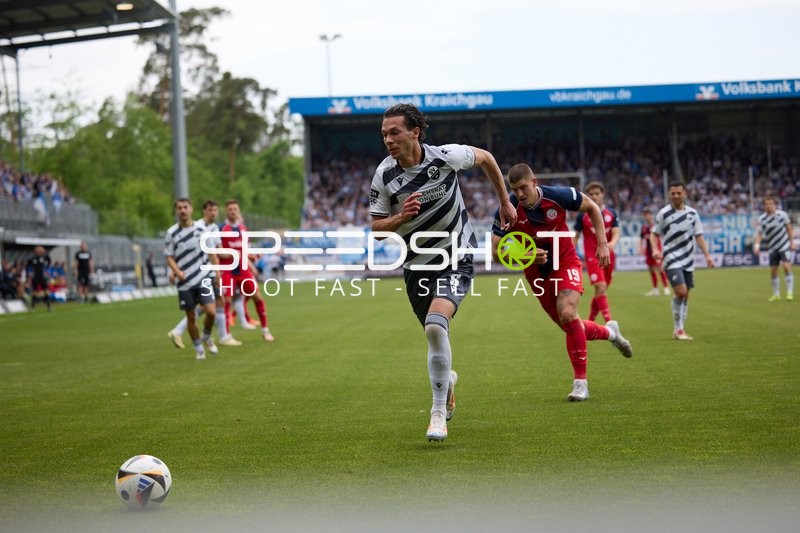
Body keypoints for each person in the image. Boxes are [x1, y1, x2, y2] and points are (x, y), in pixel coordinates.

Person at [370, 103, 517, 442]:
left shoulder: (447, 156)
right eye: (384, 134)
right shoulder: (384, 175)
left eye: (394, 132)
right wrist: (400, 218)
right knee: (435, 334)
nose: (388, 140)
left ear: (415, 132)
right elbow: (376, 229)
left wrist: (504, 202)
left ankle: (438, 414)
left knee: (436, 326)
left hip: (456, 257)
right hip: (416, 266)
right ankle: (447, 381)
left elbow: (487, 159)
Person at [492, 164, 632, 403]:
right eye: (515, 189)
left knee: (567, 313)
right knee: (570, 325)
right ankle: (611, 333)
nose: (520, 194)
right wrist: (525, 256)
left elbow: (592, 207)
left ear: (534, 182)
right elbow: (495, 252)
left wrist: (602, 243)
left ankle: (580, 383)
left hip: (565, 260)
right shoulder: (507, 210)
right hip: (535, 272)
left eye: (524, 187)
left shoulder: (558, 196)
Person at [167, 199, 243, 350]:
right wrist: (174, 271)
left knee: (217, 302)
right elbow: (185, 252)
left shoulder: (214, 228)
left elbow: (218, 251)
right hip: (202, 273)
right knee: (213, 304)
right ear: (203, 211)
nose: (213, 213)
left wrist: (232, 254)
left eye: (215, 210)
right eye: (210, 210)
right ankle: (219, 336)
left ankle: (185, 332)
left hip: (210, 271)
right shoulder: (198, 227)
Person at [650, 182, 715, 340]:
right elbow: (654, 234)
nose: (676, 196)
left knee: (686, 295)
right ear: (669, 194)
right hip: (671, 258)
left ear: (685, 194)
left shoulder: (692, 214)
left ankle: (679, 329)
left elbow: (699, 236)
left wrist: (707, 256)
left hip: (688, 259)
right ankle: (678, 329)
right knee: (681, 291)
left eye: (679, 193)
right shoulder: (663, 213)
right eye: (673, 193)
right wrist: (655, 249)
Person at [163, 198, 218, 360]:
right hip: (185, 282)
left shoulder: (202, 230)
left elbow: (211, 253)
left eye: (185, 207)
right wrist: (177, 272)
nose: (183, 210)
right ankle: (199, 349)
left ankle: (206, 336)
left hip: (203, 277)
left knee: (211, 312)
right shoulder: (171, 233)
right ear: (176, 211)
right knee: (191, 317)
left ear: (191, 209)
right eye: (179, 208)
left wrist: (217, 273)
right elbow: (169, 256)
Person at [217, 199, 275, 342]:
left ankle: (265, 330)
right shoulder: (221, 229)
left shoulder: (243, 228)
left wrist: (252, 260)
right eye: (230, 209)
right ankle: (226, 335)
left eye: (235, 209)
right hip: (228, 270)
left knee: (257, 297)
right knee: (226, 301)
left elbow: (244, 250)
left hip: (243, 269)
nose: (233, 212)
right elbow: (218, 252)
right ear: (226, 211)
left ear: (238, 211)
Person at [572, 181, 619, 322]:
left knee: (601, 290)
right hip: (592, 256)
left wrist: (612, 243)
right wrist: (572, 252)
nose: (594, 196)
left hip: (609, 256)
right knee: (601, 286)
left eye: (597, 193)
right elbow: (576, 235)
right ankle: (610, 323)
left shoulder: (611, 213)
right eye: (591, 194)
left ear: (602, 194)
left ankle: (590, 321)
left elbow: (616, 231)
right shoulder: (582, 216)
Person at [753, 196, 794, 301]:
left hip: (784, 246)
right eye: (766, 204)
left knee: (786, 267)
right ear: (764, 206)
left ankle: (789, 292)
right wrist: (757, 246)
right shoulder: (762, 219)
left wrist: (792, 242)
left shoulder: (782, 215)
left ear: (774, 205)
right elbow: (759, 233)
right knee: (773, 271)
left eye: (770, 203)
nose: (768, 206)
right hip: (772, 247)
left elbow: (789, 228)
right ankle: (776, 294)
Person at [640, 207, 670, 296]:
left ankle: (666, 287)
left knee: (660, 269)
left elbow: (660, 237)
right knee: (651, 270)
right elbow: (641, 238)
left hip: (657, 250)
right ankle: (655, 289)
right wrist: (640, 247)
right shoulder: (644, 227)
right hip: (648, 251)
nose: (646, 217)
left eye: (648, 215)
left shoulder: (656, 226)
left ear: (651, 215)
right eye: (645, 215)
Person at [26, 246, 52, 311]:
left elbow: (49, 260)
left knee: (46, 291)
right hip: (35, 277)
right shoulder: (32, 259)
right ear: (35, 251)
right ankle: (33, 307)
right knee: (34, 292)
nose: (39, 251)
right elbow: (27, 267)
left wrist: (44, 251)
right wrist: (29, 275)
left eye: (40, 250)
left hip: (42, 277)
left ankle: (49, 306)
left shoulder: (43, 257)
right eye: (38, 250)